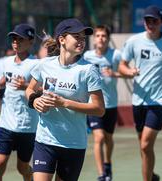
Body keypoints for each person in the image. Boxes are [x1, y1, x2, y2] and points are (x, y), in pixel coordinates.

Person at [25, 18, 105, 181]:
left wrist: (65, 103)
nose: (81, 41)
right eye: (77, 36)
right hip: (45, 141)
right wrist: (34, 101)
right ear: (62, 39)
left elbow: (99, 108)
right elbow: (30, 89)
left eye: (83, 38)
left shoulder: (88, 70)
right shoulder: (44, 65)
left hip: (73, 144)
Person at [118, 5, 162, 181]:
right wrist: (129, 72)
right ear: (144, 22)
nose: (151, 24)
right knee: (143, 146)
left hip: (160, 100)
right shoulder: (134, 41)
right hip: (138, 100)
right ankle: (151, 175)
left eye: (154, 21)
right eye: (147, 20)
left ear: (161, 22)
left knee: (146, 144)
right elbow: (122, 65)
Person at [0, 23, 39, 181]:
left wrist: (26, 86)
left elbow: (45, 88)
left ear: (30, 42)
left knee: (22, 168)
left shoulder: (36, 64)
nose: (16, 42)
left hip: (27, 126)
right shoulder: (5, 62)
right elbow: (2, 80)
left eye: (20, 39)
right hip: (6, 124)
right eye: (13, 39)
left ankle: (29, 176)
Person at [83, 25, 122, 181]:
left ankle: (108, 163)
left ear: (108, 38)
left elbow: (126, 72)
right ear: (94, 39)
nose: (101, 38)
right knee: (98, 138)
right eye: (98, 35)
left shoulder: (116, 55)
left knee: (108, 138)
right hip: (93, 105)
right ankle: (101, 175)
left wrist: (115, 73)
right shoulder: (87, 56)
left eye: (104, 36)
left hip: (111, 105)